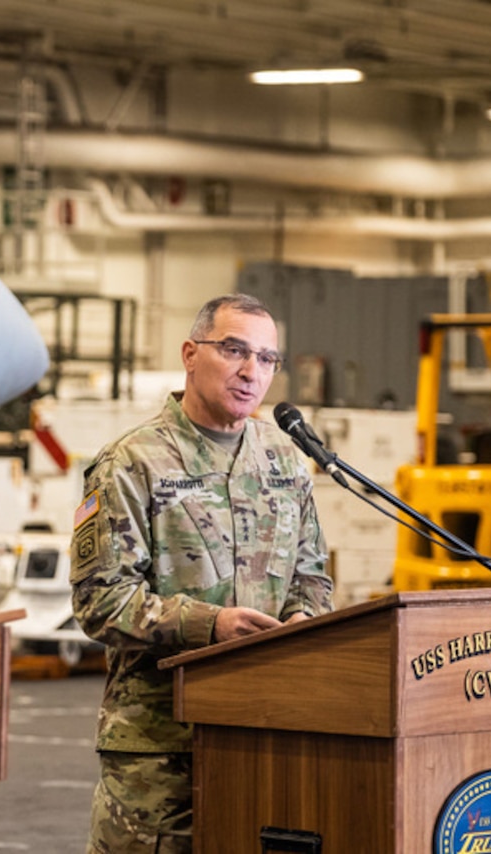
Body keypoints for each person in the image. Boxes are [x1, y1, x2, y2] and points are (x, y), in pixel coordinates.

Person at [70, 293, 334, 853]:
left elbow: (312, 573)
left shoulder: (284, 460)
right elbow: (100, 601)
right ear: (191, 354)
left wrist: (304, 619)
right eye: (234, 350)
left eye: (266, 359)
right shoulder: (133, 462)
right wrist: (209, 626)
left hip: (264, 733)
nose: (250, 371)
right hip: (160, 749)